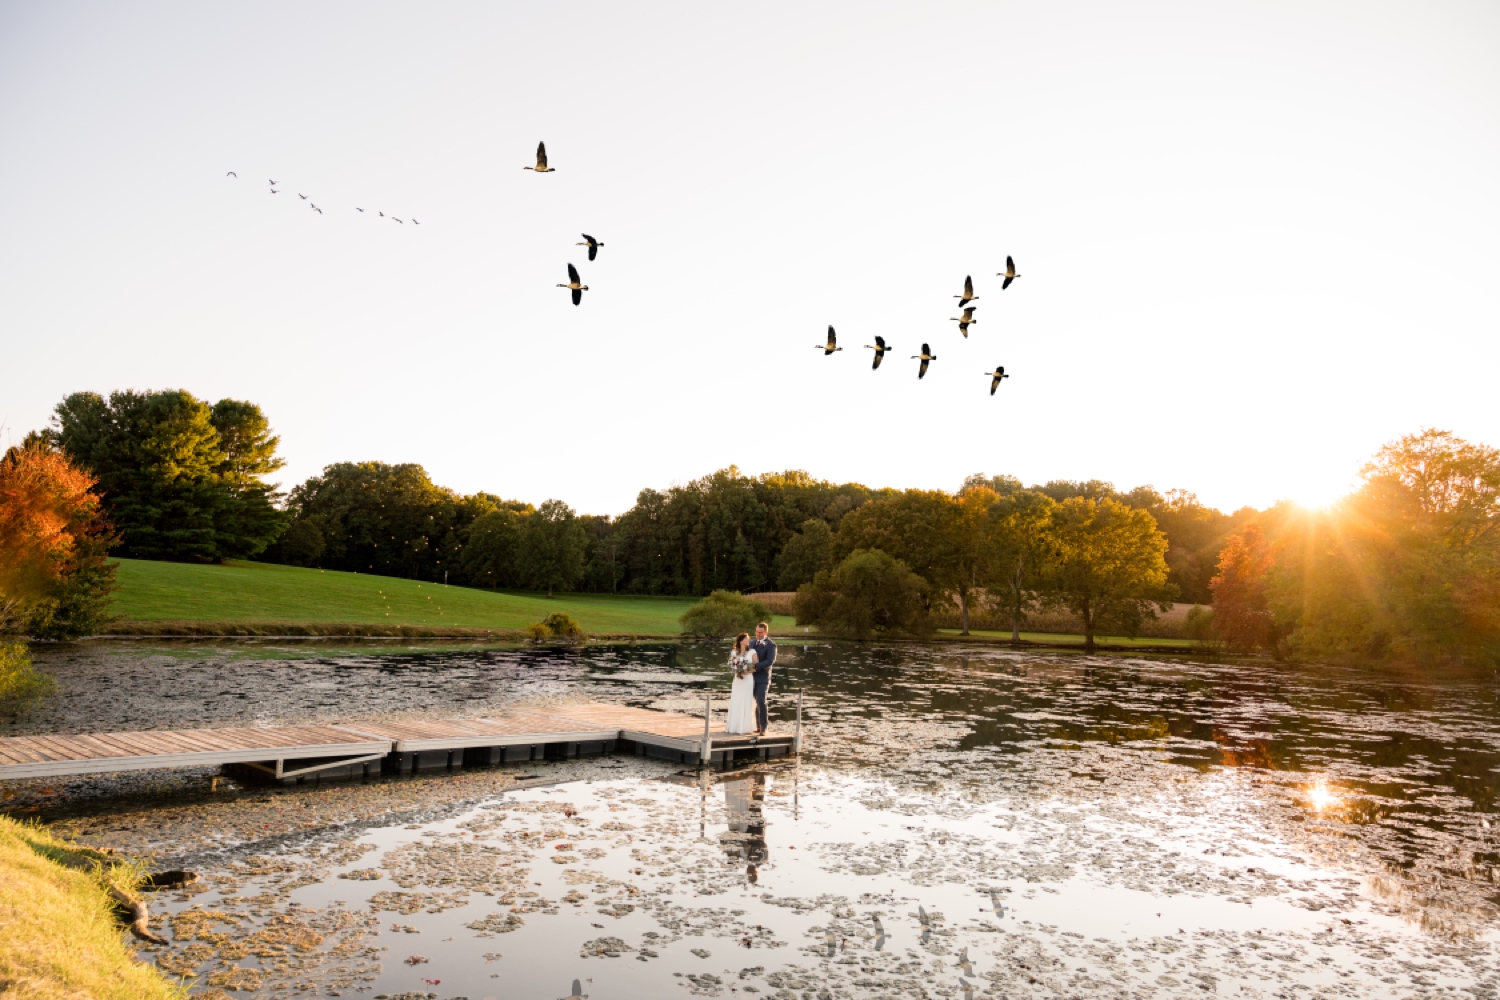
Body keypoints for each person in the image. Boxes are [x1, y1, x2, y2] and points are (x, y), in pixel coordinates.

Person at [726, 633, 758, 735]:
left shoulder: (752, 651)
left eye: (748, 639)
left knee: (746, 700)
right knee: (736, 700)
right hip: (738, 679)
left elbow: (756, 666)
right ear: (740, 641)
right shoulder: (734, 652)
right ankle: (734, 726)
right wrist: (736, 670)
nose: (748, 641)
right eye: (746, 639)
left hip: (748, 679)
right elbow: (731, 665)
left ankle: (745, 727)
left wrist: (747, 670)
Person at [748, 621, 776, 735]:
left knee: (761, 701)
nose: (758, 634)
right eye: (757, 632)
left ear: (766, 632)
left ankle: (764, 727)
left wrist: (755, 667)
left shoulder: (771, 645)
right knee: (754, 702)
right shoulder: (751, 643)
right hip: (750, 678)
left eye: (760, 632)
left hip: (763, 678)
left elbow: (770, 661)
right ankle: (758, 726)